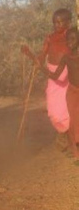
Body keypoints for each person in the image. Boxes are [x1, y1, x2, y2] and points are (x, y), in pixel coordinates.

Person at [22, 8, 72, 149]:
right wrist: (30, 54)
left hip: (68, 75)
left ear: (68, 22)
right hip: (52, 76)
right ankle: (64, 133)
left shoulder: (72, 37)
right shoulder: (50, 38)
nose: (57, 25)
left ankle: (68, 138)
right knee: (53, 111)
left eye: (60, 22)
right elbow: (42, 57)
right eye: (55, 22)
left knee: (69, 109)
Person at [30, 27, 79, 158]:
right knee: (71, 122)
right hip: (71, 92)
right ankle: (75, 151)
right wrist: (41, 67)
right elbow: (55, 75)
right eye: (68, 40)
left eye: (73, 39)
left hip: (76, 90)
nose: (70, 42)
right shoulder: (65, 57)